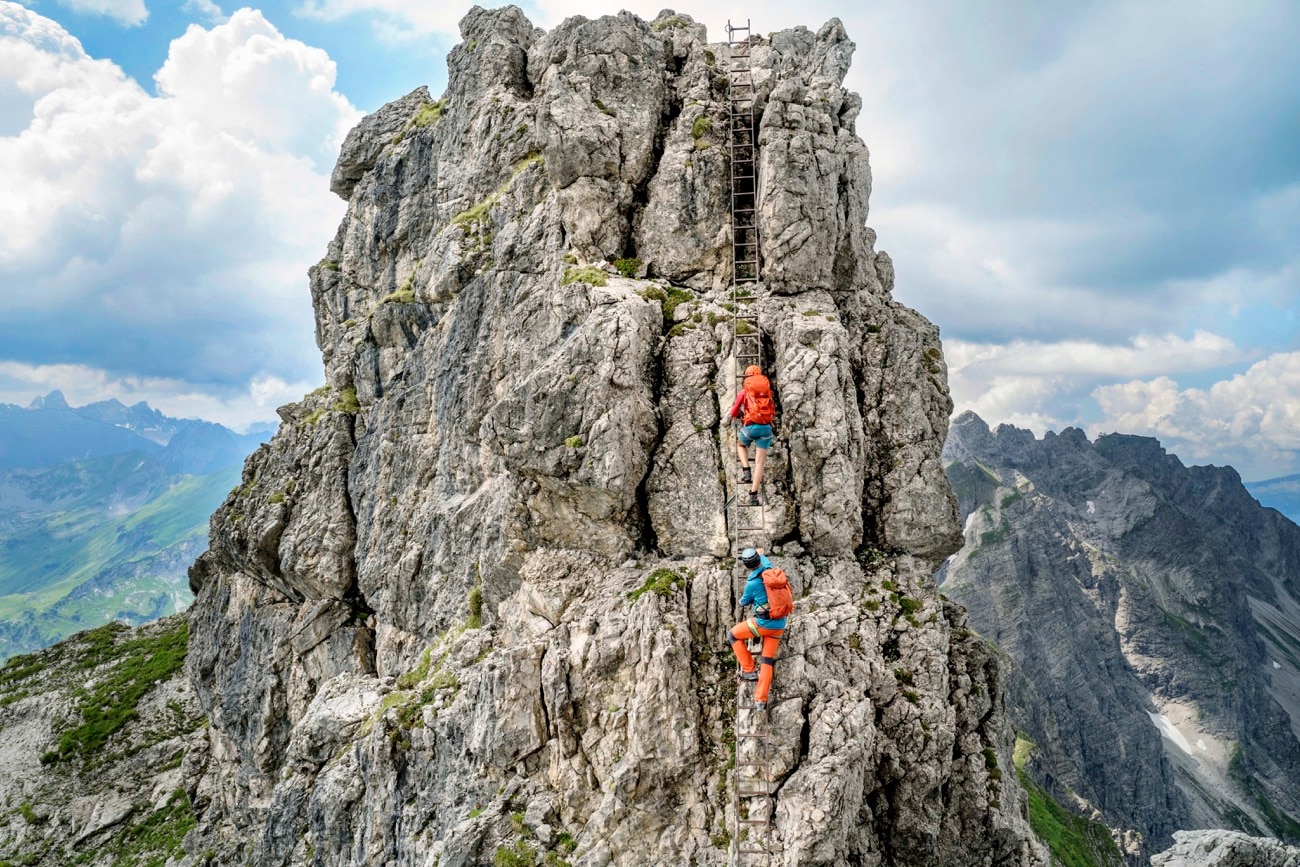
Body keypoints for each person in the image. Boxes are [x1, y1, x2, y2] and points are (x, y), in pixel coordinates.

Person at [727, 547, 786, 712]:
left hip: (763, 624)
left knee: (732, 635)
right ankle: (760, 700)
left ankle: (749, 670)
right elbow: (763, 558)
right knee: (767, 660)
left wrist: (742, 599)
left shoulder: (752, 583)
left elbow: (743, 602)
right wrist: (760, 553)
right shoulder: (770, 568)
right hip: (779, 625)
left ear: (747, 566)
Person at [729, 365, 775, 506]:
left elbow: (733, 413)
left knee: (741, 445)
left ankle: (746, 470)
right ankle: (753, 495)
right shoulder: (767, 392)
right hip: (766, 429)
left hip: (751, 427)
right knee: (760, 463)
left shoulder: (744, 392)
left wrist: (740, 414)